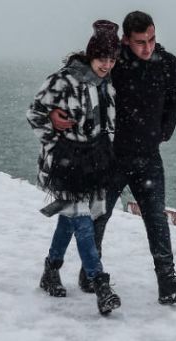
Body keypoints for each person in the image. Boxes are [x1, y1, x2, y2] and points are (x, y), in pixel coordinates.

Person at [51, 11, 176, 305]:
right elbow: (79, 69)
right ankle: (90, 274)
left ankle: (167, 282)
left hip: (148, 157)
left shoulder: (167, 63)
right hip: (113, 157)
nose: (148, 47)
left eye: (152, 39)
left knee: (157, 219)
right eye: (140, 42)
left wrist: (164, 132)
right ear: (126, 41)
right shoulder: (115, 63)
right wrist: (58, 109)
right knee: (98, 218)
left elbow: (175, 98)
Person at [26, 19, 123, 316]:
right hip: (66, 163)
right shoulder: (64, 80)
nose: (106, 65)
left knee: (70, 218)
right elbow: (35, 114)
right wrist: (56, 145)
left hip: (93, 163)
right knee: (82, 220)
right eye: (101, 58)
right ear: (90, 55)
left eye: (111, 59)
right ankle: (101, 283)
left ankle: (50, 270)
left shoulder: (106, 83)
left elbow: (107, 123)